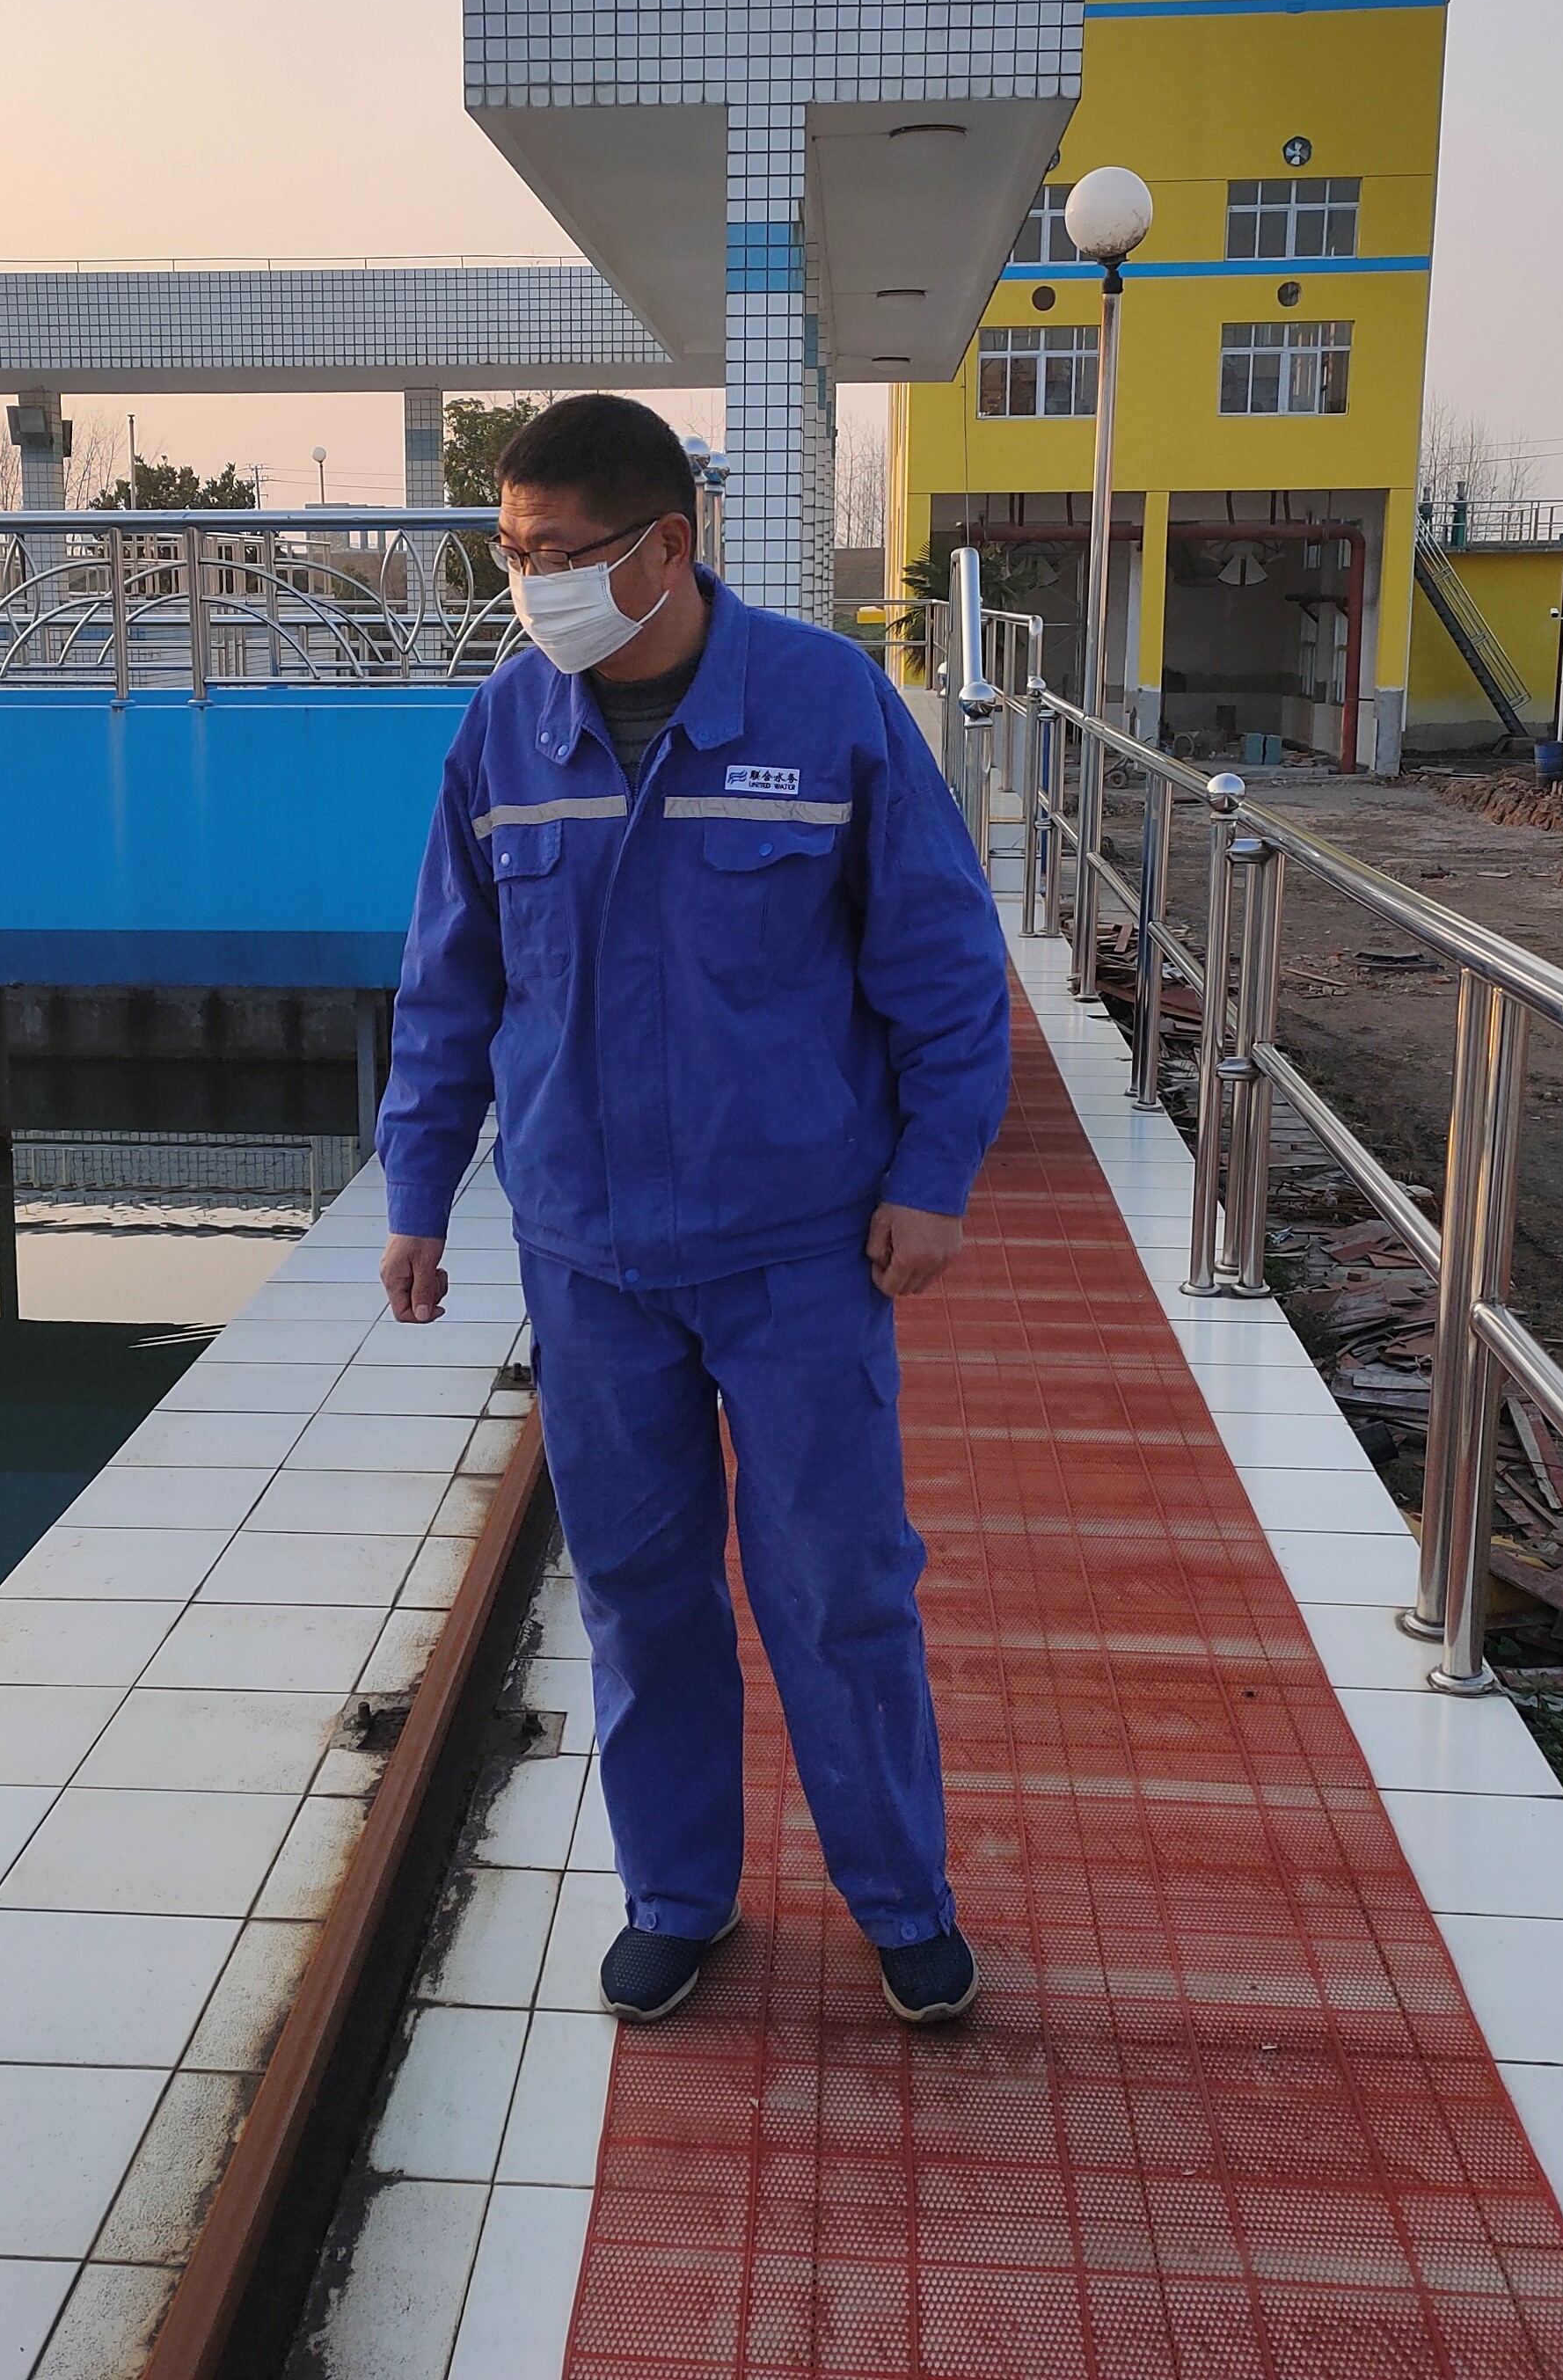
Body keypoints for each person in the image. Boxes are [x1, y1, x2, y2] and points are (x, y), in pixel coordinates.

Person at [375, 393, 1012, 2026]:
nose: (530, 586)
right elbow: (450, 983)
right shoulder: (505, 729)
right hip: (590, 1257)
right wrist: (419, 1188)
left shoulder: (827, 703)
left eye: (557, 553)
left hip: (796, 1248)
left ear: (667, 546)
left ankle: (901, 1900)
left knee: (838, 1586)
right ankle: (678, 1893)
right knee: (638, 1593)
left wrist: (933, 1176)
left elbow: (943, 960)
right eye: (510, 553)